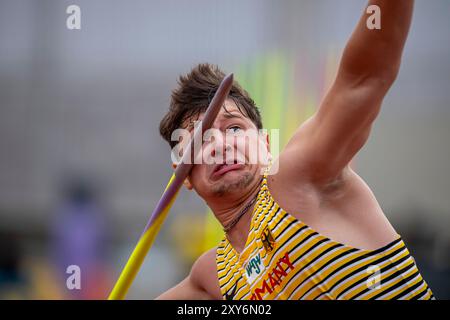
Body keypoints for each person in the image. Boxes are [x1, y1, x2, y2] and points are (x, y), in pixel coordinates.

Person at [157, 0, 435, 300]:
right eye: (201, 140)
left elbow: (365, 77)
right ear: (182, 174)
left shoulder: (297, 178)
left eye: (234, 128)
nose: (220, 146)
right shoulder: (211, 276)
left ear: (265, 145)